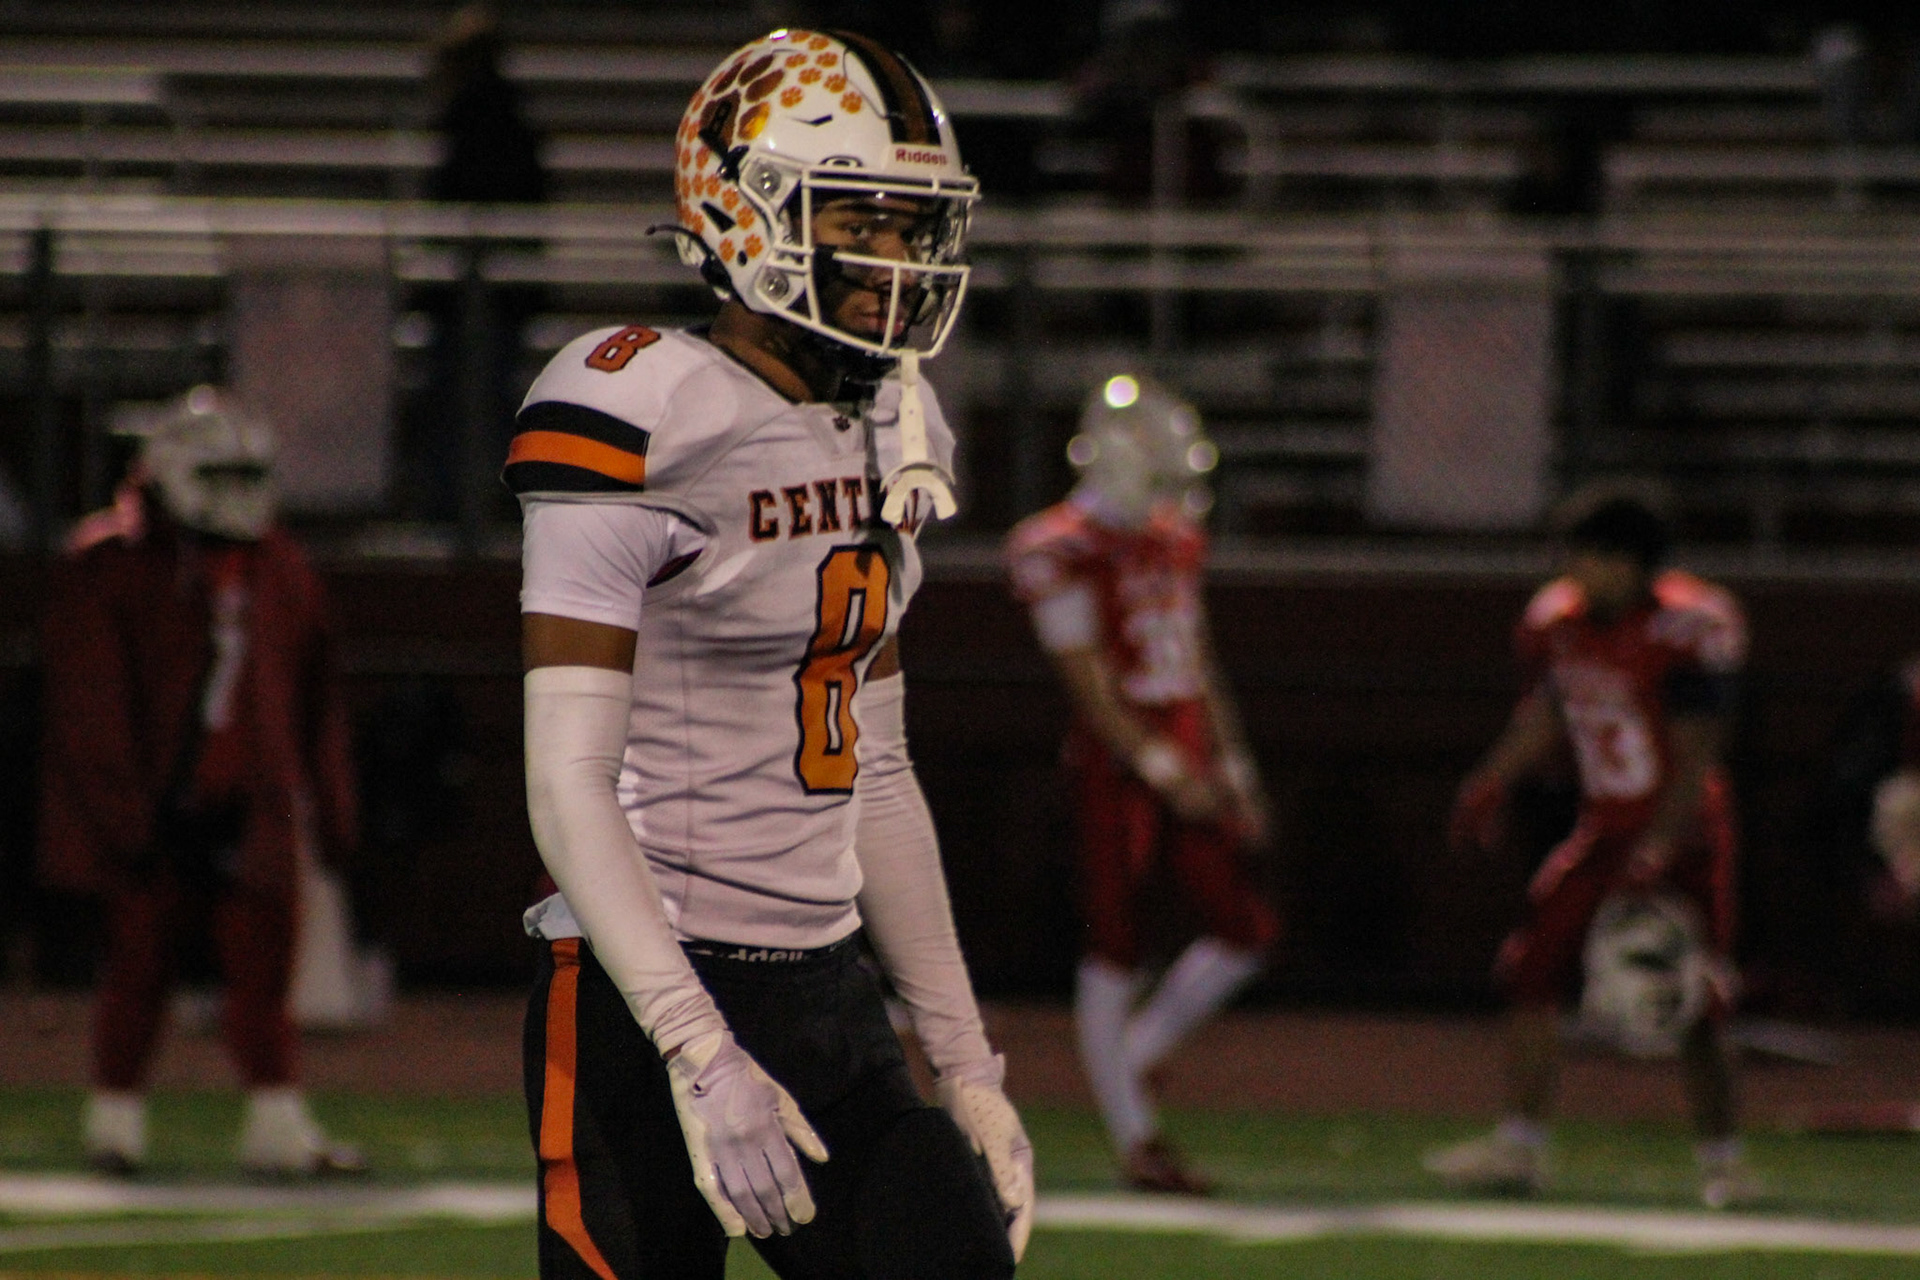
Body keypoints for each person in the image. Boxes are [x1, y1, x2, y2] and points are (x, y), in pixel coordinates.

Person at [508, 30, 1031, 1280]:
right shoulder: (640, 405)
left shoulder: (899, 418)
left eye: (913, 226)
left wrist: (965, 1059)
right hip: (637, 985)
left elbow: (879, 769)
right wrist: (698, 1047)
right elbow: (567, 778)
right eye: (860, 219)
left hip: (824, 988)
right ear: (743, 210)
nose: (895, 261)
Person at [39, 386, 362, 1176]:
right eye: (220, 477)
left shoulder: (279, 564)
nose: (239, 495)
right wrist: (126, 816)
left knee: (264, 971)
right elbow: (90, 704)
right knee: (137, 965)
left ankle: (276, 1124)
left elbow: (315, 697)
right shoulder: (113, 563)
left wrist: (330, 809)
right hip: (154, 802)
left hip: (252, 801)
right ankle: (114, 1124)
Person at [1423, 493, 1754, 1209]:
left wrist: (1663, 839)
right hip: (1603, 829)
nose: (1574, 569)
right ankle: (1520, 1145)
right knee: (1529, 972)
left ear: (1627, 563)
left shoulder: (1684, 628)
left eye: (1589, 556)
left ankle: (1724, 1160)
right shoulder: (1561, 624)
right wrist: (1491, 780)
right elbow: (1549, 711)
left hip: (1685, 834)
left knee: (1697, 999)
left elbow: (1698, 750)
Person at [1005, 374, 1279, 1195]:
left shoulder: (1172, 538)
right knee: (1116, 942)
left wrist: (1231, 763)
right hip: (1119, 766)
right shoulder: (1056, 545)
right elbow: (1089, 683)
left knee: (1245, 929)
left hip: (1186, 747)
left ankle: (1128, 1063)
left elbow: (1197, 658)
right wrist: (1161, 766)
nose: (1170, 484)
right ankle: (1135, 1136)